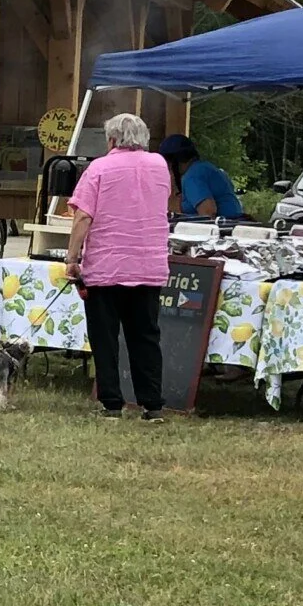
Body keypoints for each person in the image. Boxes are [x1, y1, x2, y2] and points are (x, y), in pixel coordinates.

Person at [63, 111, 172, 419]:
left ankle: (112, 402)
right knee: (146, 336)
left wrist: (72, 258)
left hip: (107, 266)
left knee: (106, 337)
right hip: (148, 264)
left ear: (111, 139)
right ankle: (153, 404)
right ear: (144, 139)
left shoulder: (99, 168)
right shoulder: (160, 166)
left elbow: (83, 216)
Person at [160, 132, 242, 223]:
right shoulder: (205, 168)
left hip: (223, 229)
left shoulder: (191, 177)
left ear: (175, 161)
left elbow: (208, 213)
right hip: (234, 224)